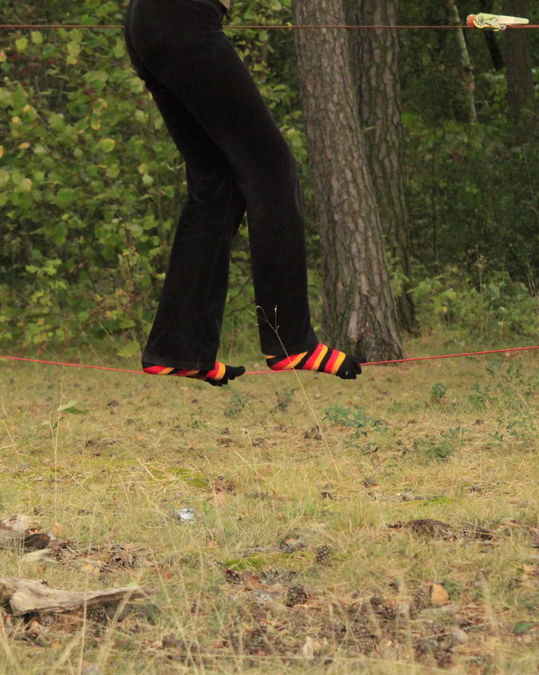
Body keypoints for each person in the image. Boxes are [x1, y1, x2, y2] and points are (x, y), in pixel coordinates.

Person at [124, 0, 363, 386]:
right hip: (183, 22)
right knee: (272, 171)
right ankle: (291, 342)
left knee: (216, 186)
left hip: (149, 24)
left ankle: (179, 349)